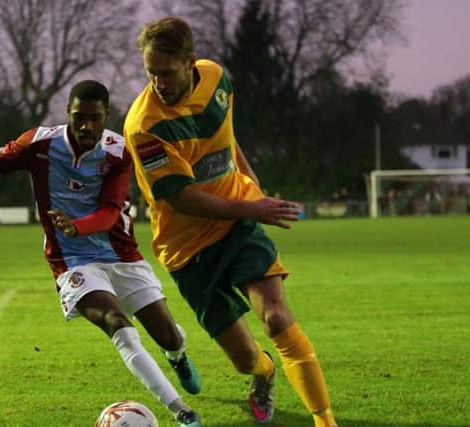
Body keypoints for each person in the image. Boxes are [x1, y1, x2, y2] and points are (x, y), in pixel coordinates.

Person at [0, 80, 202, 427]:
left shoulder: (117, 151)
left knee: (169, 336)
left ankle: (178, 355)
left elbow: (112, 211)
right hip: (71, 260)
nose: (86, 126)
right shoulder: (38, 144)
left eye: (94, 118)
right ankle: (181, 411)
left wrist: (76, 225)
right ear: (67, 112)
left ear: (105, 116)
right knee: (118, 324)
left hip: (121, 255)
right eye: (78, 117)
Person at [124, 17, 338, 427]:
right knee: (244, 359)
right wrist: (253, 208)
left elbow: (226, 135)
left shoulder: (218, 79)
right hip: (186, 248)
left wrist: (251, 184)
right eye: (151, 73)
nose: (158, 84)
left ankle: (325, 421)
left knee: (276, 317)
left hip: (236, 224)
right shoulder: (144, 126)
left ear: (190, 62)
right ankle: (265, 374)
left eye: (166, 73)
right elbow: (183, 199)